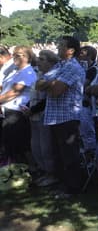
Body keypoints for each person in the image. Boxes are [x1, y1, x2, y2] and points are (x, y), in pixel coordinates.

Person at [36, 36, 86, 198]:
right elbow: (38, 84)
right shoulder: (59, 65)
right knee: (58, 154)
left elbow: (57, 90)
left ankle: (73, 189)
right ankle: (63, 185)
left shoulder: (73, 67)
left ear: (70, 50)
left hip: (67, 117)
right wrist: (50, 84)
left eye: (61, 45)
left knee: (69, 156)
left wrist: (49, 84)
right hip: (55, 117)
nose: (57, 47)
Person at [26, 50, 59, 187]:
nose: (38, 61)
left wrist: (32, 110)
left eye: (42, 59)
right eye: (38, 58)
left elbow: (47, 99)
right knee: (36, 147)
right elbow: (33, 95)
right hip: (33, 115)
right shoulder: (38, 75)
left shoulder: (52, 77)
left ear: (51, 62)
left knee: (46, 148)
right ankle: (43, 171)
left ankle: (51, 174)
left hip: (44, 115)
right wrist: (28, 107)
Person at [0, 46, 37, 164]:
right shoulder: (16, 71)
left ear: (27, 57)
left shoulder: (28, 72)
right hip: (8, 109)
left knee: (18, 145)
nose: (15, 57)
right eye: (14, 54)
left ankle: (25, 170)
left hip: (17, 112)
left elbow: (14, 92)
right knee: (10, 144)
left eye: (19, 55)